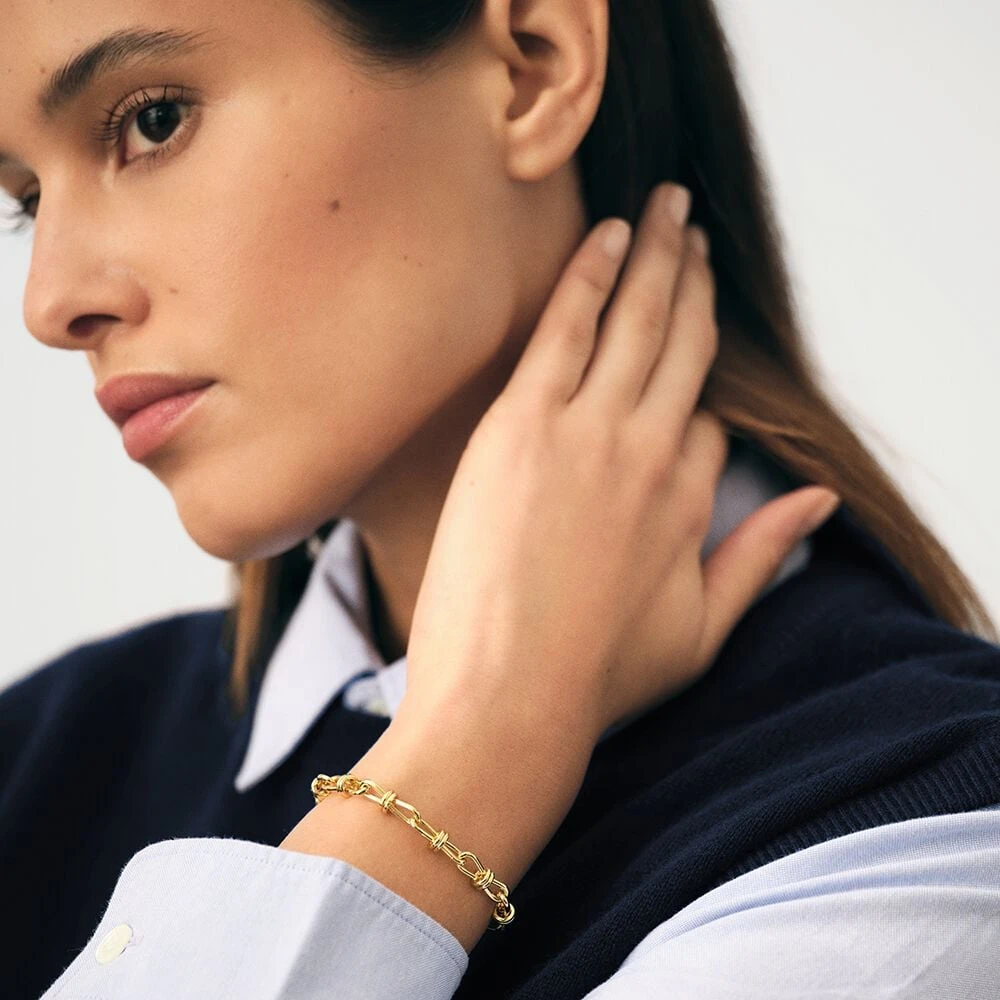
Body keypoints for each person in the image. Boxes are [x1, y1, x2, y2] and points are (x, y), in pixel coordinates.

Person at [1, 1, 998, 998]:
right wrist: (471, 748)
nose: (50, 303)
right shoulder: (34, 765)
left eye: (154, 121)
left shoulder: (921, 839)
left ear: (532, 68)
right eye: (28, 199)